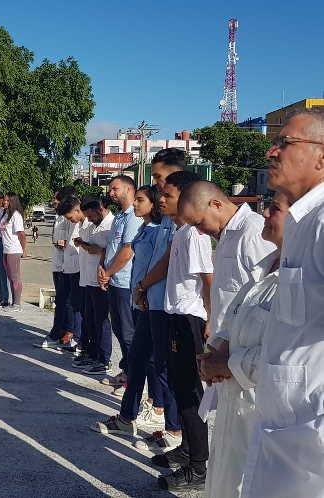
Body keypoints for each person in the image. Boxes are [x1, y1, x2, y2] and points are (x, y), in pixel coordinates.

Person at [240, 109, 324, 498]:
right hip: (287, 429)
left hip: (311, 441)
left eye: (285, 143)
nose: (271, 152)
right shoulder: (303, 223)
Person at [199, 193, 288, 498]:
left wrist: (227, 364)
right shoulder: (264, 268)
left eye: (275, 209)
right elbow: (235, 311)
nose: (265, 214)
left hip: (265, 417)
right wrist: (218, 348)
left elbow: (291, 357)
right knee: (224, 481)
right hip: (234, 407)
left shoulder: (304, 280)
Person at [93, 186, 179, 449]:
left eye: (141, 200)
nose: (136, 204)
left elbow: (161, 266)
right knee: (138, 359)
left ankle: (170, 424)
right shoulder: (145, 228)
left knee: (160, 366)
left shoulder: (168, 229)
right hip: (142, 299)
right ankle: (127, 417)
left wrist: (142, 286)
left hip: (157, 302)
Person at [153, 170, 212, 492]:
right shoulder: (180, 233)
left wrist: (211, 323)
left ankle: (198, 466)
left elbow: (208, 278)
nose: (161, 199)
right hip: (176, 315)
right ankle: (188, 450)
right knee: (179, 387)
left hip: (191, 319)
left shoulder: (196, 235)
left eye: (169, 195)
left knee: (190, 394)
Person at [178, 181, 276, 339]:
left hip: (246, 344)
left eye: (200, 223)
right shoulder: (226, 235)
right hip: (227, 341)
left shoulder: (253, 231)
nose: (200, 232)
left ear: (216, 204)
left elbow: (269, 293)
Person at [99, 175, 144, 386]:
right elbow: (112, 248)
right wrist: (104, 269)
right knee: (118, 328)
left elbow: (128, 251)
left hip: (126, 283)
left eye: (115, 188)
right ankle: (127, 371)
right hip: (114, 281)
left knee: (128, 333)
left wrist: (108, 272)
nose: (111, 193)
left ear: (128, 188)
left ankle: (134, 380)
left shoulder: (135, 216)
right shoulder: (119, 217)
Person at [73, 199, 114, 376]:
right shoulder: (94, 225)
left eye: (90, 215)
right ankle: (92, 353)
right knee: (89, 319)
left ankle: (104, 359)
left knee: (101, 321)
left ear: (99, 209)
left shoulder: (110, 225)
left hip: (101, 281)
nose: (88, 219)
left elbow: (104, 250)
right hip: (89, 279)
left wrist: (86, 246)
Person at [37, 188, 76, 349]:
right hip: (58, 264)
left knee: (65, 302)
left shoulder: (69, 218)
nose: (54, 202)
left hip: (67, 266)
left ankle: (66, 333)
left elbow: (72, 241)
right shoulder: (59, 217)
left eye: (57, 200)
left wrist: (64, 244)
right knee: (61, 302)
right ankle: (60, 332)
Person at [56, 196, 86, 354]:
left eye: (71, 217)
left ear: (77, 209)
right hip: (70, 268)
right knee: (73, 304)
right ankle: (76, 337)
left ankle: (79, 338)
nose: (71, 220)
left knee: (79, 307)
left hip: (81, 270)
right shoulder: (74, 222)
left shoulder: (86, 223)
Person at [0, 192, 29, 312]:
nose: (5, 202)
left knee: (15, 277)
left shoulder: (16, 215)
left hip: (14, 249)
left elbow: (21, 234)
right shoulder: (6, 214)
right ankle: (13, 303)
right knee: (10, 277)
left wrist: (23, 250)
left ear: (13, 201)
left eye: (7, 201)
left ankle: (17, 304)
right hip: (6, 249)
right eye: (4, 200)